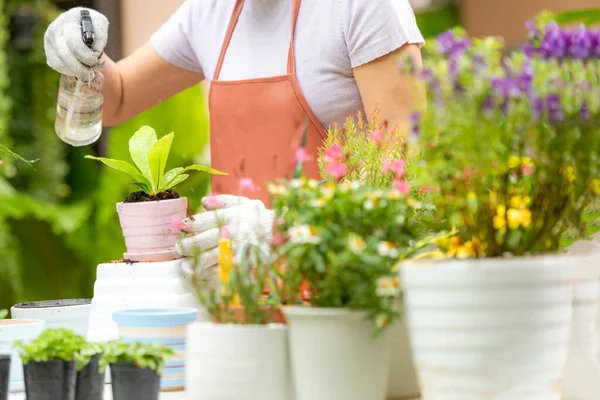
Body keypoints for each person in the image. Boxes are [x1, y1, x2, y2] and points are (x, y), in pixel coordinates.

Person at [44, 0, 425, 271]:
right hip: (234, 290)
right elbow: (119, 97)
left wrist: (283, 230)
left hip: (341, 288)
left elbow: (398, 175)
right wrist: (81, 50)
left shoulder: (365, 8)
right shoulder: (211, 12)